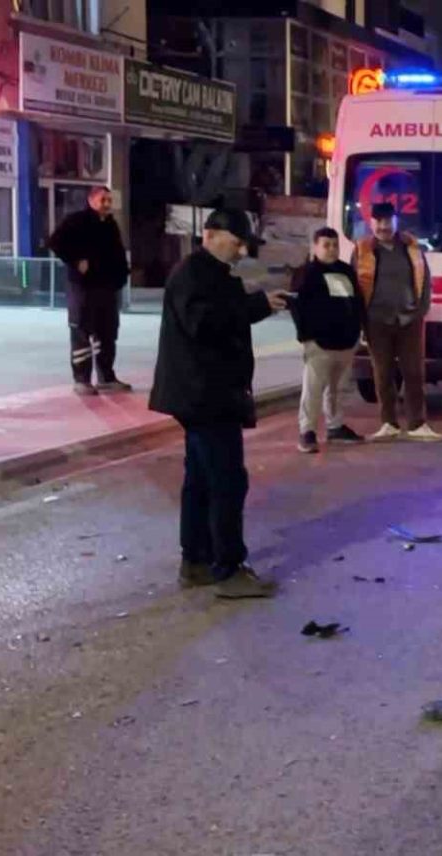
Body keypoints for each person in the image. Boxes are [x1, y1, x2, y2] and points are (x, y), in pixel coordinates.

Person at [149, 209, 290, 598]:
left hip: (207, 393)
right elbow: (205, 323)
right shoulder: (193, 274)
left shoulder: (214, 273)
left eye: (245, 245)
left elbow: (224, 315)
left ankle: (196, 560)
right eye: (237, 242)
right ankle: (228, 568)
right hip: (204, 395)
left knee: (201, 479)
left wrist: (258, 305)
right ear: (209, 234)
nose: (241, 251)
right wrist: (255, 306)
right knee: (227, 480)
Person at [350, 202, 442, 442]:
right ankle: (388, 423)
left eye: (388, 221)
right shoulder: (362, 251)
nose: (383, 227)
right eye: (379, 222)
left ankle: (417, 424)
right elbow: (355, 287)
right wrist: (360, 319)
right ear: (371, 223)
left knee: (414, 373)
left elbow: (425, 281)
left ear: (395, 221)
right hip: (376, 321)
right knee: (383, 373)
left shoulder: (412, 247)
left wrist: (420, 310)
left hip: (409, 319)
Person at [48, 186, 132, 396]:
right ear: (91, 200)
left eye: (109, 200)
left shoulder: (110, 225)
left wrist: (122, 276)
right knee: (82, 330)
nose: (107, 204)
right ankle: (82, 379)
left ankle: (106, 377)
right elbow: (55, 242)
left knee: (107, 332)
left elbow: (118, 253)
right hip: (83, 288)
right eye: (103, 200)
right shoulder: (77, 221)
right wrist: (76, 261)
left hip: (107, 288)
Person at [291, 227, 364, 454]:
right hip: (319, 344)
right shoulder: (306, 274)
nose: (331, 249)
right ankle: (307, 432)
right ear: (315, 247)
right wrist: (307, 337)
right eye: (326, 245)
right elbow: (297, 308)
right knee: (313, 390)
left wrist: (358, 331)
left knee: (338, 389)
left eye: (335, 245)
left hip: (346, 343)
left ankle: (335, 426)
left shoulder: (347, 271)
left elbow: (358, 302)